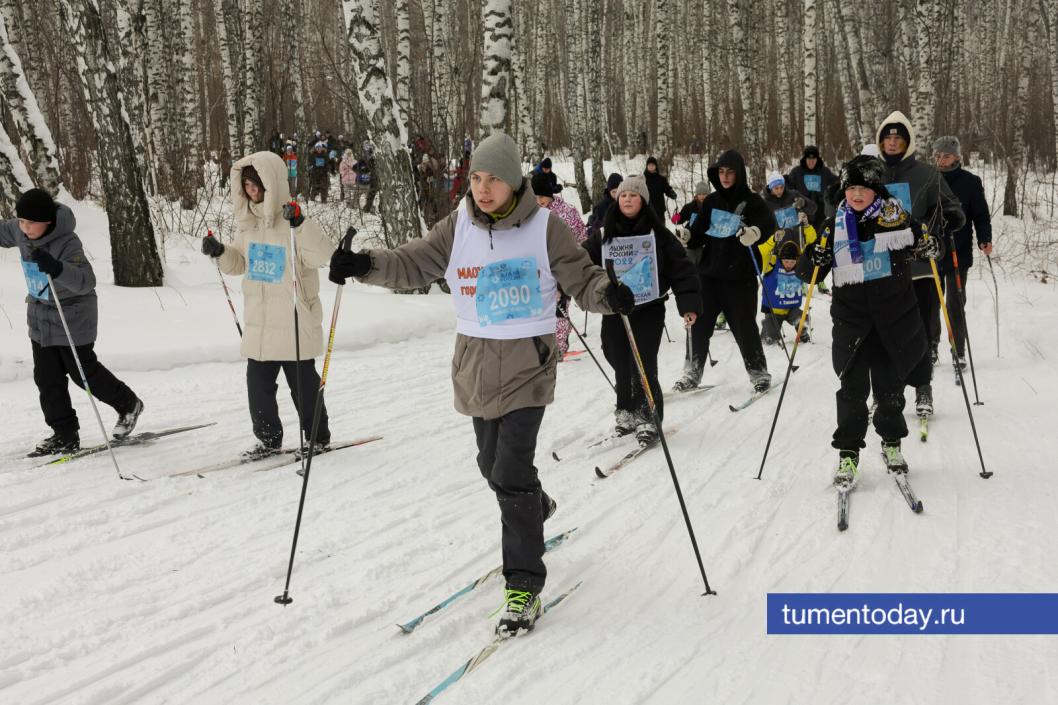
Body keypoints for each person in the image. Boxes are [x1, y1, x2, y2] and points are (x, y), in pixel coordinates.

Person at [327, 132, 633, 638]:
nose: (483, 188)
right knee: (490, 466)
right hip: (473, 367)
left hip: (527, 367)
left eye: (492, 179)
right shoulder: (458, 226)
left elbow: (583, 279)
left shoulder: (545, 229)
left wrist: (609, 293)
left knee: (510, 470)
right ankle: (534, 506)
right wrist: (364, 265)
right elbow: (412, 262)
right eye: (475, 178)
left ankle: (523, 584)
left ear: (514, 182)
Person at [796, 154, 939, 486]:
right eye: (851, 188)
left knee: (890, 391)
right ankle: (848, 454)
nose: (856, 195)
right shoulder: (833, 225)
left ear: (877, 190)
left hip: (894, 319)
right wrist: (813, 258)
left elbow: (928, 244)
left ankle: (892, 446)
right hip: (852, 322)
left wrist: (932, 247)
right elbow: (809, 273)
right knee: (852, 391)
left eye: (864, 188)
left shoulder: (897, 219)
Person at [200, 153, 334, 459]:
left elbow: (321, 255)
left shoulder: (292, 222)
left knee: (304, 389)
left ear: (270, 184)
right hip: (260, 324)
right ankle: (269, 439)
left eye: (256, 183)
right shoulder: (247, 225)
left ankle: (318, 437)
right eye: (245, 184)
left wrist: (300, 223)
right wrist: (221, 252)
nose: (250, 190)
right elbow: (239, 264)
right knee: (257, 387)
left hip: (294, 321)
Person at [1, 189, 144, 456]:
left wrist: (56, 268)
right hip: (41, 316)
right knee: (47, 378)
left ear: (48, 222)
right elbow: (2, 231)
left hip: (73, 316)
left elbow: (85, 281)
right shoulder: (22, 231)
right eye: (21, 221)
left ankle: (128, 403)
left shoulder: (67, 242)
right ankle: (64, 434)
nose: (24, 227)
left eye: (31, 222)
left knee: (83, 373)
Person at [583, 175, 701, 444]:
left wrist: (689, 304)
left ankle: (647, 415)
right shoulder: (603, 234)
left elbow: (682, 268)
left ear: (643, 200)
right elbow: (580, 265)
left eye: (633, 195)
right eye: (623, 195)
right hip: (614, 310)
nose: (627, 199)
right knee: (617, 356)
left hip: (649, 307)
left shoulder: (658, 233)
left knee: (644, 361)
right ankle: (625, 409)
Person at [875, 111, 965, 415]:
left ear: (907, 142)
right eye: (887, 137)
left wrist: (947, 223)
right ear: (880, 141)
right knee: (886, 332)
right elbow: (844, 203)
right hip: (882, 269)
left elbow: (952, 209)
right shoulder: (870, 173)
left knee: (922, 332)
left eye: (898, 138)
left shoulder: (927, 174)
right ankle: (889, 390)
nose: (892, 143)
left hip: (920, 269)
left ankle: (923, 389)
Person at [674, 149, 777, 394]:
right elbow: (698, 232)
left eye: (730, 172)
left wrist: (755, 233)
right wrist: (688, 236)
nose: (725, 177)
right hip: (709, 275)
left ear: (739, 174)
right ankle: (692, 372)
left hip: (740, 278)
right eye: (721, 172)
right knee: (698, 325)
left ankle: (758, 373)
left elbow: (769, 224)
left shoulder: (752, 201)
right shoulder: (710, 201)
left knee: (744, 327)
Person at [932, 136, 993, 373]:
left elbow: (980, 214)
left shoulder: (970, 182)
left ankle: (958, 350)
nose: (940, 159)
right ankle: (931, 346)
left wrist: (984, 238)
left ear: (957, 157)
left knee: (955, 303)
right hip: (931, 251)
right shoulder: (928, 178)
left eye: (945, 155)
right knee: (930, 302)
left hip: (959, 251)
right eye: (937, 155)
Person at [531, 172, 589, 359]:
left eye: (542, 196)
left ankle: (559, 346)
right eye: (535, 196)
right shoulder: (529, 212)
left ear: (550, 194)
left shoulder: (566, 211)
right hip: (537, 269)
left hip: (561, 266)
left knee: (560, 307)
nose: (539, 200)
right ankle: (538, 346)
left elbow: (581, 236)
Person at [784, 145, 837, 230]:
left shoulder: (824, 171)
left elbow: (835, 182)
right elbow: (789, 188)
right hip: (803, 210)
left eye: (813, 159)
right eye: (809, 159)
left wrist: (844, 176)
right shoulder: (796, 172)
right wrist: (784, 181)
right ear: (805, 159)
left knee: (819, 237)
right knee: (805, 237)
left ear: (817, 159)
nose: (811, 162)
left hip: (821, 212)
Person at [586, 173, 623, 237]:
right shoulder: (602, 207)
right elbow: (595, 228)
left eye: (618, 191)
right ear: (609, 191)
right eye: (613, 192)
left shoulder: (627, 202)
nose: (616, 194)